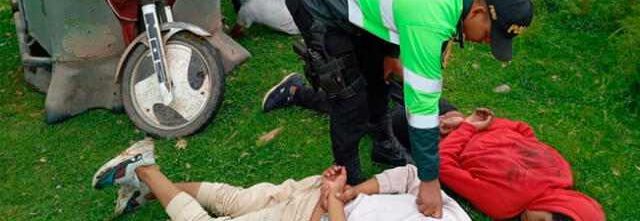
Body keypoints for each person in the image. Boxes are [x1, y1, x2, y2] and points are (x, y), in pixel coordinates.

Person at [261, 0, 534, 217]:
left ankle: (383, 143)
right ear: (476, 12)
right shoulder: (431, 18)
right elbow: (422, 109)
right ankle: (347, 171)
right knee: (350, 97)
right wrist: (428, 181)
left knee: (379, 79)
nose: (486, 43)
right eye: (489, 35)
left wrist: (391, 52)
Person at [91, 139, 472, 220]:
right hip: (321, 209)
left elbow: (411, 179)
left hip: (325, 197)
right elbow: (411, 177)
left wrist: (342, 192)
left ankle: (147, 191)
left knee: (234, 201)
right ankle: (145, 169)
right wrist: (345, 194)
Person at [390, 106, 606, 221]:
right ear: (562, 206)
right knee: (395, 111)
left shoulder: (563, 172)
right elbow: (441, 165)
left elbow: (523, 130)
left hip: (460, 126)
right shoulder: (504, 205)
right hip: (446, 135)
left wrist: (468, 125)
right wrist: (465, 127)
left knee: (410, 96)